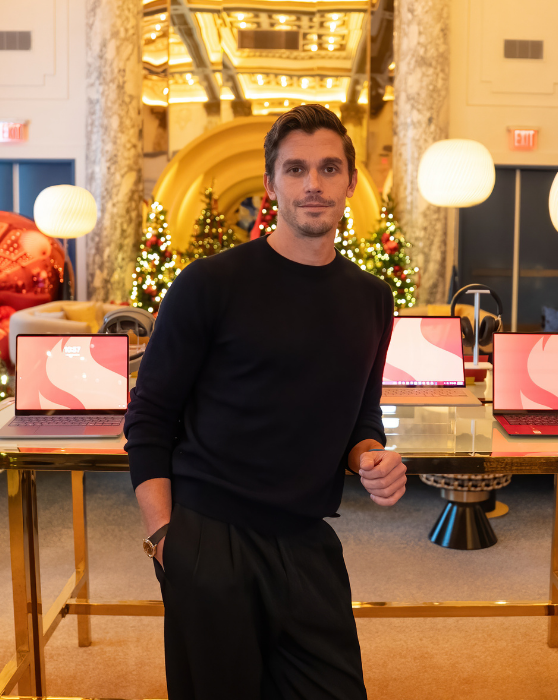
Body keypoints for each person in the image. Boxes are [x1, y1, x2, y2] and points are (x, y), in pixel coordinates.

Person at [124, 104, 408, 700]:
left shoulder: (372, 299)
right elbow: (149, 417)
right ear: (271, 183)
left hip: (307, 538)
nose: (313, 184)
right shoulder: (210, 284)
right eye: (296, 168)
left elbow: (361, 416)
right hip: (211, 537)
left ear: (350, 183)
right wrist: (165, 540)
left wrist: (371, 459)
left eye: (329, 168)